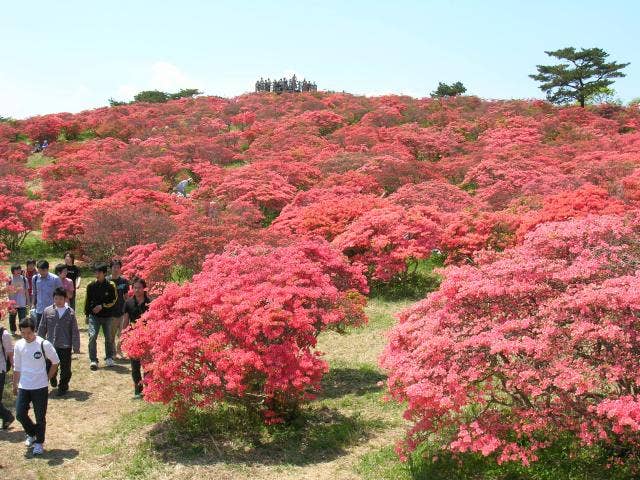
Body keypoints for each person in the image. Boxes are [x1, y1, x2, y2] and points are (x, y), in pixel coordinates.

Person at [13, 317, 60, 456]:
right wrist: (15, 384)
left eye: (28, 332)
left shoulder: (43, 344)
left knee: (40, 416)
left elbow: (55, 361)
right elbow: (17, 367)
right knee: (20, 414)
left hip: (40, 386)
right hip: (24, 385)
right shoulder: (19, 345)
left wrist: (47, 377)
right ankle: (31, 433)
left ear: (34, 330)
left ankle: (39, 442)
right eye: (23, 333)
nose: (26, 336)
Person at [37, 287, 80, 396]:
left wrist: (76, 346)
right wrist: (38, 343)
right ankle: (52, 377)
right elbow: (42, 327)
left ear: (65, 299)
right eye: (56, 298)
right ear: (53, 299)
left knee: (66, 369)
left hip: (65, 345)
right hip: (50, 345)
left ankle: (63, 387)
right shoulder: (47, 311)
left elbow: (74, 330)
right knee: (49, 365)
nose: (58, 301)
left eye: (60, 298)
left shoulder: (70, 312)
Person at [85, 263, 117, 370]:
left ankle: (109, 357)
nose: (96, 274)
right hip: (94, 316)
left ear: (104, 273)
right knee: (92, 336)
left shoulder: (111, 285)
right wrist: (87, 314)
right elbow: (87, 300)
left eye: (98, 272)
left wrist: (102, 306)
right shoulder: (91, 285)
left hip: (107, 316)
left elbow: (113, 300)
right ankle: (93, 360)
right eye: (95, 272)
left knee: (108, 337)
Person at [122, 277, 151, 398]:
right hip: (133, 337)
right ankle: (138, 390)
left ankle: (149, 389)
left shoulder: (150, 302)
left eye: (139, 287)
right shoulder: (128, 302)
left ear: (144, 288)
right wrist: (124, 335)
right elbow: (126, 320)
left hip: (148, 337)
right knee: (135, 366)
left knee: (148, 366)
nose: (137, 290)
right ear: (132, 289)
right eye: (135, 287)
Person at [32, 260, 63, 330]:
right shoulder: (35, 278)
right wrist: (33, 304)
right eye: (39, 271)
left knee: (52, 331)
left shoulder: (55, 279)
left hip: (52, 309)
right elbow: (34, 293)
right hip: (39, 309)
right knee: (40, 331)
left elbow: (61, 293)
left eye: (43, 271)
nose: (41, 273)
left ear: (47, 269)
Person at [107, 260, 129, 359]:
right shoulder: (106, 281)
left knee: (123, 334)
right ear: (110, 268)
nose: (116, 269)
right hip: (111, 313)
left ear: (120, 269)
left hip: (122, 312)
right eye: (114, 267)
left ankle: (120, 350)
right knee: (111, 335)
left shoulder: (124, 281)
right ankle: (113, 352)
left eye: (118, 267)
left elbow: (126, 296)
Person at [0, 325, 14, 429]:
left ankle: (7, 416)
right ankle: (7, 416)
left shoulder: (4, 335)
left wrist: (16, 370)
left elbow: (10, 354)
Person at [8, 265, 28, 335]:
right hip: (12, 302)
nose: (19, 271)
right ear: (13, 270)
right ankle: (13, 331)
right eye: (17, 270)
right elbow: (7, 290)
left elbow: (26, 291)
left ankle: (22, 332)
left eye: (19, 269)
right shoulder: (9, 279)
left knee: (22, 319)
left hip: (22, 302)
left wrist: (28, 301)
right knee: (12, 318)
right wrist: (16, 290)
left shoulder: (24, 279)